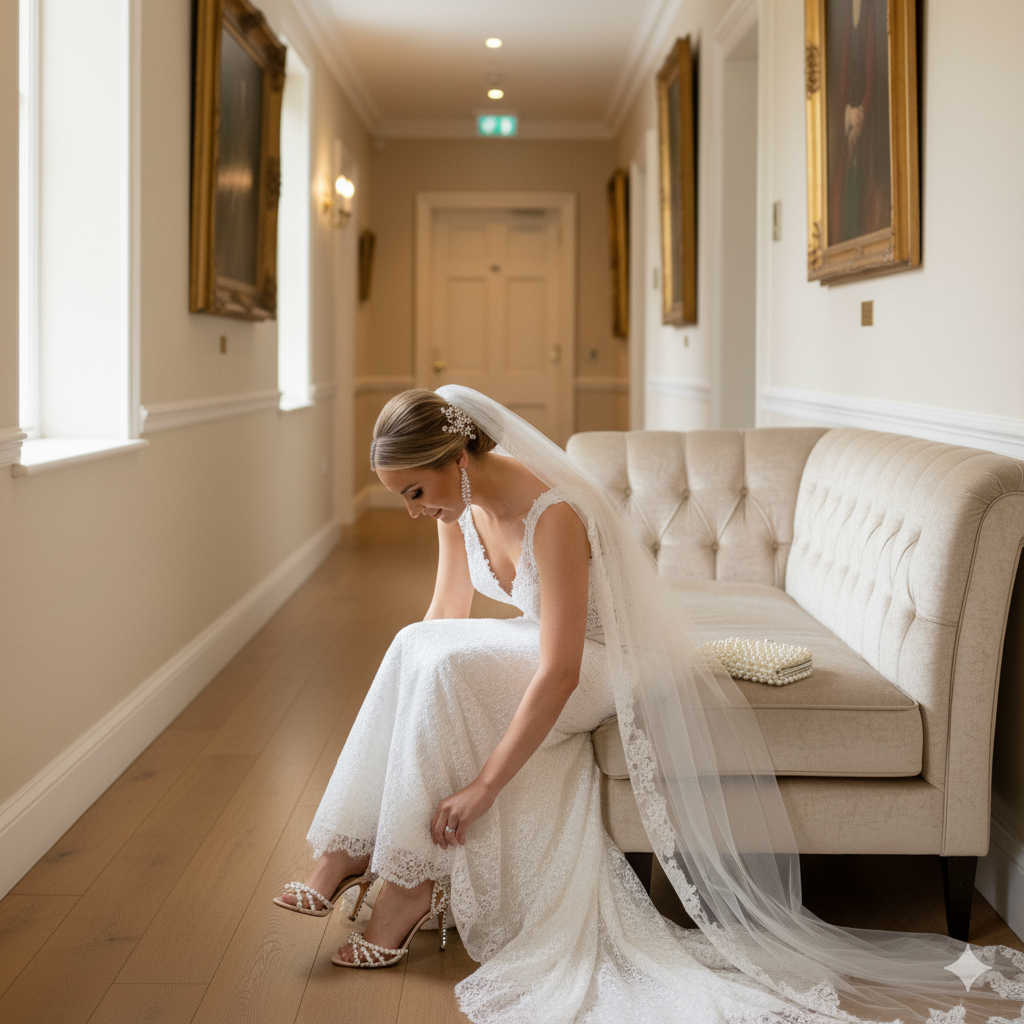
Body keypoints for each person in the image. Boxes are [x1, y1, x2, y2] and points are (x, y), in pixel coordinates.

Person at [276, 386, 1024, 1024]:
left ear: (458, 458)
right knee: (417, 648)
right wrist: (415, 684)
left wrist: (483, 786)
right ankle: (351, 850)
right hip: (545, 650)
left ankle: (405, 887)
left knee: (445, 672)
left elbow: (563, 670)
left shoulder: (553, 512)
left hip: (604, 667)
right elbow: (443, 613)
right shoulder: (457, 506)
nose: (412, 511)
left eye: (415, 492)